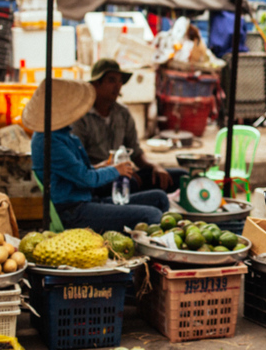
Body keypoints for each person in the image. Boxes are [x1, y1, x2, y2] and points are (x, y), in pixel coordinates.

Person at [25, 79, 169, 233]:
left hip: (87, 199)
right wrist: (116, 170)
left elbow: (74, 172)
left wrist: (100, 167)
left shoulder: (63, 132)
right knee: (151, 214)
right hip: (73, 211)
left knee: (159, 197)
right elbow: (86, 179)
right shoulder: (49, 140)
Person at [72, 58, 185, 194]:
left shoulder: (122, 113)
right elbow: (80, 169)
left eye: (120, 81)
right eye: (112, 80)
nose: (118, 86)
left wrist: (155, 166)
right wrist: (113, 171)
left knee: (179, 177)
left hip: (125, 174)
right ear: (96, 84)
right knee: (132, 185)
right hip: (97, 180)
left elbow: (135, 152)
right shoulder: (81, 117)